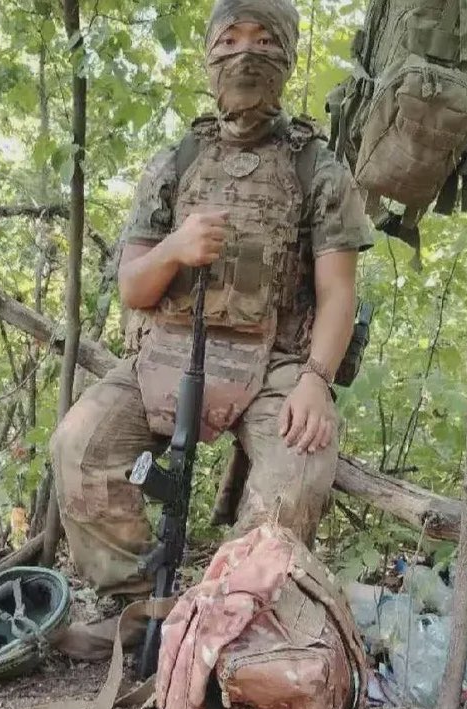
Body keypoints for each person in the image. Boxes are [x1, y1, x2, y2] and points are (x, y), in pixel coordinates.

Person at [50, 0, 373, 595]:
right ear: (208, 55)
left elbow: (338, 293)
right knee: (79, 445)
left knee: (298, 472)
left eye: (262, 41)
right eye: (229, 40)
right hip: (168, 351)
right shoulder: (177, 162)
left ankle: (231, 619)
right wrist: (174, 248)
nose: (245, 54)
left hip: (276, 362)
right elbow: (133, 288)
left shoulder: (317, 169)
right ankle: (137, 605)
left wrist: (317, 380)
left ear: (286, 55)